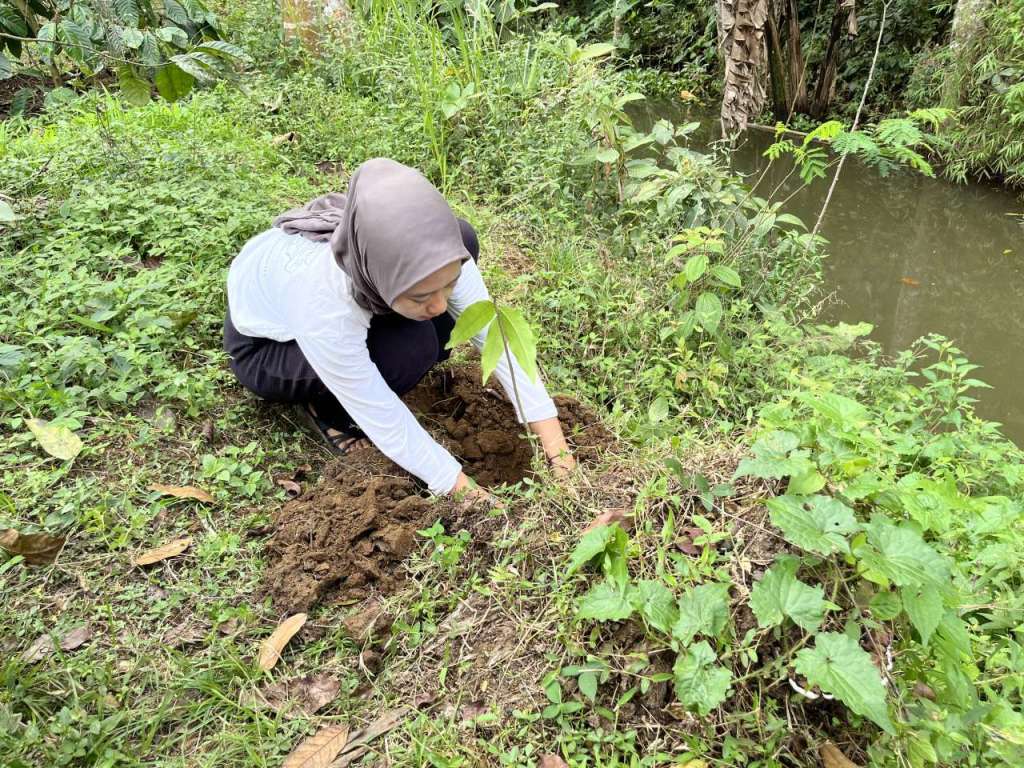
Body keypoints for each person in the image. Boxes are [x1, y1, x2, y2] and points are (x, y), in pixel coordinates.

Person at [223, 158, 575, 504]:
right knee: (411, 349)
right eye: (422, 296)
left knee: (463, 243)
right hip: (268, 349)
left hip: (358, 298)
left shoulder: (437, 248)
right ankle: (329, 411)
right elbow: (383, 416)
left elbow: (495, 337)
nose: (441, 306)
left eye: (450, 284)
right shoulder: (324, 303)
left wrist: (559, 454)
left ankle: (408, 313)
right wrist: (469, 495)